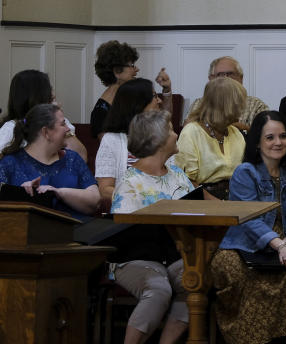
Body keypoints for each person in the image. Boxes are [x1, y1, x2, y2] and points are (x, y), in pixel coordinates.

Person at [210, 111, 286, 344]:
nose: (278, 142)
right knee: (248, 278)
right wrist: (279, 244)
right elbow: (250, 219)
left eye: (282, 136)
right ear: (257, 143)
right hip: (241, 246)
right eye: (270, 137)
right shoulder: (244, 173)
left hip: (280, 247)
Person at [110, 110, 193, 344]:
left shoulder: (177, 175)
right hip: (136, 258)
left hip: (174, 254)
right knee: (159, 289)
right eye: (170, 130)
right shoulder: (130, 182)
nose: (176, 134)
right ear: (157, 140)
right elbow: (125, 235)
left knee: (195, 280)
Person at [0, 103, 99, 219]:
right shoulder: (10, 163)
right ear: (46, 132)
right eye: (63, 124)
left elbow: (95, 201)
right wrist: (20, 195)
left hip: (77, 235)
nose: (68, 128)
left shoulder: (73, 159)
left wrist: (59, 192)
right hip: (27, 235)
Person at [175, 76, 248, 199]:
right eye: (238, 104)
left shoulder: (236, 133)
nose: (241, 110)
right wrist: (217, 206)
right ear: (224, 106)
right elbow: (185, 180)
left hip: (236, 198)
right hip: (201, 201)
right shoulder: (191, 132)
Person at [0, 69, 87, 161]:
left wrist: (56, 119)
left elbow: (81, 157)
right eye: (49, 90)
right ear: (36, 96)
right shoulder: (10, 128)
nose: (53, 95)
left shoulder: (58, 120)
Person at [95, 78, 164, 201]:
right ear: (138, 104)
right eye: (154, 96)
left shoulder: (162, 136)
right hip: (129, 210)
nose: (159, 100)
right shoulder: (111, 140)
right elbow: (105, 190)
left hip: (163, 207)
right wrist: (145, 197)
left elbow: (173, 178)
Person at [92, 40, 172, 137]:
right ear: (117, 71)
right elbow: (110, 148)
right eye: (132, 65)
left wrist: (167, 90)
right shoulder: (101, 112)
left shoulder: (134, 95)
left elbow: (164, 121)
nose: (137, 69)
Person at [185, 56, 268, 128]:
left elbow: (264, 137)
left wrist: (241, 128)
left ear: (241, 78)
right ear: (211, 79)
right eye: (220, 75)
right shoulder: (199, 103)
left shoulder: (257, 106)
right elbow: (187, 130)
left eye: (230, 74)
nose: (226, 79)